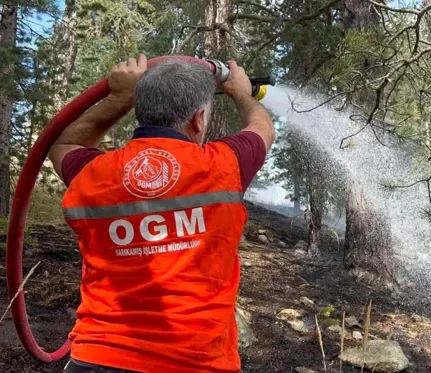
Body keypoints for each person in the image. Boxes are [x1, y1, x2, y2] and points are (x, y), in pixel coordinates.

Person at [48, 54, 276, 373]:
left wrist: (118, 99)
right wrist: (241, 92)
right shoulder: (225, 165)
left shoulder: (96, 173)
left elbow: (63, 144)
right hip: (195, 364)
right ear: (198, 119)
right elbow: (262, 127)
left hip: (96, 359)